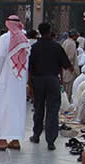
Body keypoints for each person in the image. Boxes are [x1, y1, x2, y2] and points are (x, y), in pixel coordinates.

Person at [0, 16, 30, 151]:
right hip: (20, 81)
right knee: (17, 110)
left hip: (6, 80)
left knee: (3, 109)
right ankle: (15, 140)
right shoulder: (25, 38)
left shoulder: (6, 38)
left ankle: (2, 141)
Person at [28, 23, 72, 151]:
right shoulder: (56, 47)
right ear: (50, 31)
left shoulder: (34, 47)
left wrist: (30, 84)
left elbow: (29, 68)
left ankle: (36, 135)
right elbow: (66, 65)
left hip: (38, 80)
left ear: (39, 32)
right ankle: (51, 141)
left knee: (38, 108)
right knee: (52, 110)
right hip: (53, 80)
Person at [62, 30, 80, 102]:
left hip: (65, 69)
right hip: (69, 71)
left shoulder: (66, 42)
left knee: (65, 92)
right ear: (74, 36)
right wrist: (73, 70)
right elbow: (70, 58)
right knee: (68, 92)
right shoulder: (72, 43)